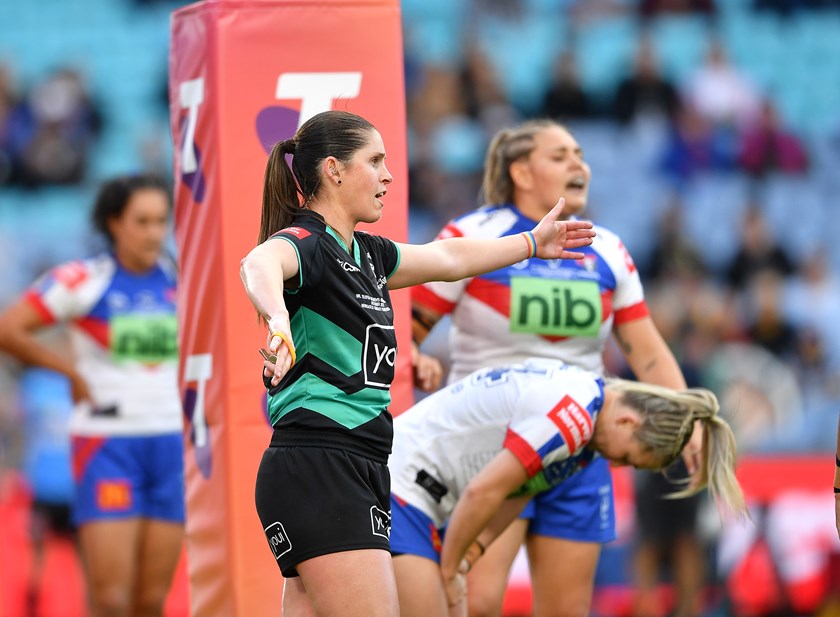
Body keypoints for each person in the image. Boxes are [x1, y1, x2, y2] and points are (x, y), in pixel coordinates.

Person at [238, 110, 595, 617]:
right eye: (376, 161)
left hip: (351, 467)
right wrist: (275, 317)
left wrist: (533, 244)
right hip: (322, 464)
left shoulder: (369, 254)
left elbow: (449, 260)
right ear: (335, 170)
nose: (388, 176)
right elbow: (259, 262)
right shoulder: (308, 243)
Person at [411, 118, 702, 617]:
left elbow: (647, 351)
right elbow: (409, 324)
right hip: (493, 447)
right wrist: (414, 354)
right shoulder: (474, 235)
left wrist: (688, 419)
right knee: (476, 604)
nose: (579, 164)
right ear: (521, 173)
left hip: (579, 448)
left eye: (581, 154)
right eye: (561, 155)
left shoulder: (608, 249)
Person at [389, 360, 748, 617]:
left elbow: (520, 491)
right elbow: (483, 491)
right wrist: (451, 572)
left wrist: (468, 557)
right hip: (401, 484)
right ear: (628, 421)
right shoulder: (573, 417)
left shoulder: (587, 420)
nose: (620, 465)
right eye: (630, 457)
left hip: (422, 496)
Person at [0, 174, 183, 617]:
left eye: (161, 221)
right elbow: (9, 329)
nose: (154, 233)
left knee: (150, 601)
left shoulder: (182, 278)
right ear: (113, 223)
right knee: (112, 600)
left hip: (170, 444)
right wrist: (68, 372)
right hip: (108, 444)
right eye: (141, 221)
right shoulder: (84, 279)